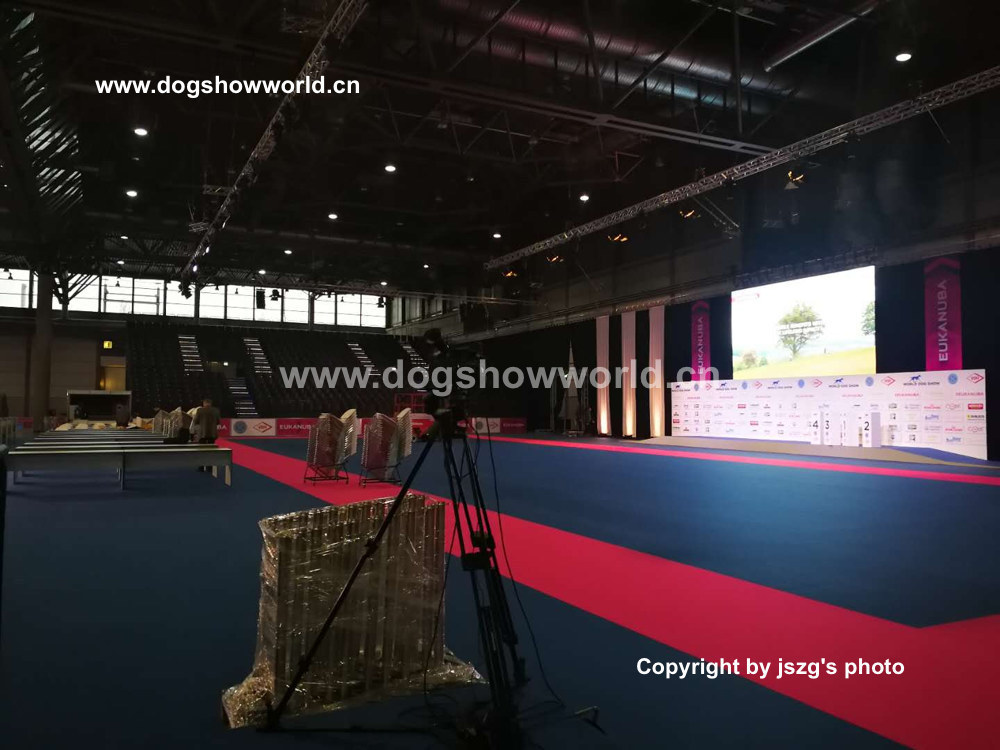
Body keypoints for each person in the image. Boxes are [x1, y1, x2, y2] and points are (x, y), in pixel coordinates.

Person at [192, 398, 221, 471]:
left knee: (201, 450)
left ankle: (201, 466)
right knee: (211, 450)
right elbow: (218, 422)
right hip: (212, 433)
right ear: (210, 403)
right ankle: (209, 467)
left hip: (202, 434)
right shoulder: (216, 410)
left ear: (204, 403)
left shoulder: (200, 410)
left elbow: (196, 421)